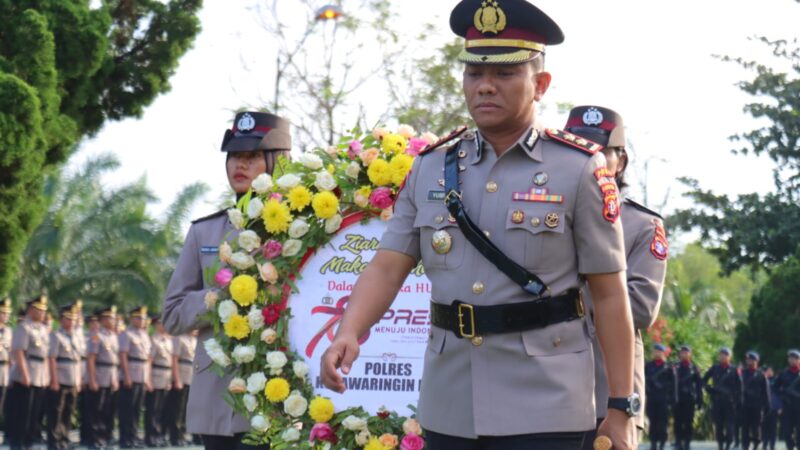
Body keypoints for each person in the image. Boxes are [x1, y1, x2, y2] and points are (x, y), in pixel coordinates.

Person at [321, 1, 639, 448]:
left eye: (505, 74)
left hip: (548, 402)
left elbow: (609, 294)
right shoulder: (431, 167)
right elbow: (388, 266)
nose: (485, 86)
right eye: (474, 73)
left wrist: (622, 407)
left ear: (540, 84)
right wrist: (349, 331)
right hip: (451, 400)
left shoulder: (579, 170)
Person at [162, 111, 292, 450]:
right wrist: (219, 296)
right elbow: (173, 314)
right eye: (235, 155)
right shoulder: (204, 231)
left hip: (282, 399)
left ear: (278, 162)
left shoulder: (302, 231)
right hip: (219, 398)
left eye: (251, 157)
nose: (240, 164)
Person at [564, 106, 668, 450]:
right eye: (577, 147)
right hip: (547, 386)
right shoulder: (545, 216)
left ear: (619, 161)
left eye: (599, 151)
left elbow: (639, 308)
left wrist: (568, 287)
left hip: (608, 389)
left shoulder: (642, 225)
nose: (587, 158)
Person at [4, 294, 50, 450]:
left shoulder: (44, 329)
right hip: (26, 374)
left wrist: (46, 376)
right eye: (39, 310)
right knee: (22, 414)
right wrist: (25, 375)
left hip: (40, 375)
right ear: (31, 310)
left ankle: (28, 443)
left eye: (44, 310)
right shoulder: (24, 327)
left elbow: (46, 355)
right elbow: (19, 353)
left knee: (34, 415)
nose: (42, 313)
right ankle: (18, 444)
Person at [46, 303, 82, 450]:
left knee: (68, 411)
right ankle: (54, 441)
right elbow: (52, 358)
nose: (72, 322)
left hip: (72, 378)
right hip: (60, 378)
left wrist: (78, 380)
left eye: (73, 319)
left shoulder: (75, 336)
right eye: (69, 318)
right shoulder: (56, 335)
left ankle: (64, 439)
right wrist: (54, 380)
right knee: (56, 412)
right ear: (61, 320)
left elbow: (78, 360)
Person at [117, 305, 151, 448]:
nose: (142, 320)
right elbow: (123, 355)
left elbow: (148, 358)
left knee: (137, 409)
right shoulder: (126, 334)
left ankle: (134, 436)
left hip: (142, 375)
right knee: (127, 409)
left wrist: (148, 378)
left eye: (143, 318)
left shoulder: (144, 335)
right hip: (131, 373)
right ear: (132, 319)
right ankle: (125, 438)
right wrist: (127, 375)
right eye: (138, 317)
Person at [86, 305, 119, 449]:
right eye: (110, 318)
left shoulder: (113, 337)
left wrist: (115, 378)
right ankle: (95, 438)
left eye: (114, 318)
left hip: (111, 374)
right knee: (96, 409)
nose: (113, 321)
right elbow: (91, 359)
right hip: (100, 374)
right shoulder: (96, 336)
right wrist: (92, 379)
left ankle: (105, 437)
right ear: (103, 320)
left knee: (108, 409)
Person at [702, 347, 742, 450]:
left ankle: (728, 444)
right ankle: (720, 445)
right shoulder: (715, 368)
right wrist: (708, 389)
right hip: (717, 401)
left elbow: (740, 387)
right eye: (721, 355)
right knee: (718, 426)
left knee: (729, 427)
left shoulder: (734, 370)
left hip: (729, 403)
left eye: (725, 355)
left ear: (730, 357)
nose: (723, 357)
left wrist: (737, 401)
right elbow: (703, 380)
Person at [164, 330, 198, 446]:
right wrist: (177, 378)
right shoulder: (180, 338)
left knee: (186, 410)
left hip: (191, 376)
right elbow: (174, 359)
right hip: (182, 376)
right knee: (178, 409)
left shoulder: (194, 340)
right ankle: (175, 436)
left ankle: (182, 435)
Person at [145, 315, 173, 447]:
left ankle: (158, 435)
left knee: (161, 408)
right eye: (162, 323)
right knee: (153, 408)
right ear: (156, 325)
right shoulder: (154, 340)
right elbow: (149, 362)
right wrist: (148, 380)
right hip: (156, 376)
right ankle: (150, 436)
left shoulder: (167, 340)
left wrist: (170, 379)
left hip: (165, 376)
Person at [645, 343, 677, 450]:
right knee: (652, 421)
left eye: (658, 351)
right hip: (652, 398)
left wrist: (672, 398)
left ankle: (662, 443)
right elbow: (643, 379)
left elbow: (673, 384)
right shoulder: (648, 366)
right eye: (655, 351)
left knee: (663, 423)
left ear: (663, 353)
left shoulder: (668, 367)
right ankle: (653, 443)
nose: (656, 353)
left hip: (664, 399)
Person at [674, 345, 703, 450]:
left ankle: (687, 442)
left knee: (688, 422)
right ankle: (678, 441)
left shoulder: (694, 368)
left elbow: (699, 386)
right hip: (678, 398)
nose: (684, 354)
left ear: (690, 354)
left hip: (689, 399)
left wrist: (700, 400)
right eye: (682, 352)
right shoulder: (676, 367)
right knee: (678, 421)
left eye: (686, 352)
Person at [742, 351, 771, 450]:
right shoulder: (742, 373)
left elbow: (765, 392)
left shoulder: (761, 375)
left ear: (756, 361)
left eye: (751, 360)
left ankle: (756, 443)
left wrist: (767, 406)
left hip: (757, 405)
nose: (749, 361)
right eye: (748, 360)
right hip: (745, 404)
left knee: (756, 427)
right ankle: (745, 445)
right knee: (745, 427)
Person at [79, 313, 100, 447]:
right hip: (83, 374)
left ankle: (90, 436)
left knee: (94, 408)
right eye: (92, 322)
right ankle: (85, 436)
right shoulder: (85, 337)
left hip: (94, 375)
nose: (95, 325)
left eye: (97, 322)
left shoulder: (96, 338)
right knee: (86, 408)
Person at [775, 349, 800, 450]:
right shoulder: (784, 373)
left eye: (795, 358)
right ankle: (790, 447)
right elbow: (775, 387)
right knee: (787, 430)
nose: (792, 360)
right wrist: (782, 395)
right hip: (787, 406)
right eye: (790, 358)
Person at [0, 297, 12, 438]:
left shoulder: (8, 331)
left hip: (3, 372)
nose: (6, 316)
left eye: (7, 313)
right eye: (3, 312)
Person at [763, 366, 779, 450]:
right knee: (764, 427)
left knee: (773, 427)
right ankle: (765, 444)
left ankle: (772, 445)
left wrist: (780, 407)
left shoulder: (776, 381)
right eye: (767, 371)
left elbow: (779, 394)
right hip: (764, 408)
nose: (769, 372)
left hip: (774, 407)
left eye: (770, 370)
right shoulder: (762, 380)